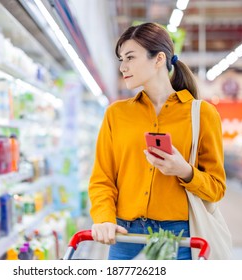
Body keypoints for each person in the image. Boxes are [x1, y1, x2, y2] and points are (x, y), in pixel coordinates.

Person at [88, 22, 226, 260]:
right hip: (124, 234)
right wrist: (103, 218)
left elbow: (217, 188)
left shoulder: (202, 114)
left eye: (130, 57)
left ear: (159, 59)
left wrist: (185, 171)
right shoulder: (116, 114)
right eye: (121, 59)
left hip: (175, 236)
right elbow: (102, 179)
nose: (123, 67)